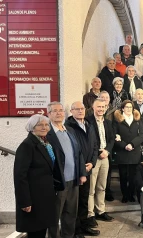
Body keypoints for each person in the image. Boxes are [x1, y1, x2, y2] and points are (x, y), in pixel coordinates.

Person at [46, 102, 87, 238]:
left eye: (61, 110)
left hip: (73, 180)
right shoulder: (47, 133)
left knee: (70, 214)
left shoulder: (69, 130)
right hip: (59, 182)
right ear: (49, 114)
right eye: (55, 111)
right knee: (54, 215)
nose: (59, 113)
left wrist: (82, 173)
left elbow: (78, 153)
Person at [14, 114, 57, 238]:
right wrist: (24, 201)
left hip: (43, 197)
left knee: (41, 231)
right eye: (40, 125)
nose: (44, 127)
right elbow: (19, 176)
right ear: (32, 127)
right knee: (35, 232)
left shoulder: (45, 143)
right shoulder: (27, 146)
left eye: (46, 124)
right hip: (33, 199)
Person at [65, 102, 100, 237]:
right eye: (77, 109)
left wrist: (92, 162)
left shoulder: (88, 125)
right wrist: (81, 166)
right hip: (75, 170)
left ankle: (85, 225)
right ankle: (76, 230)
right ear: (71, 111)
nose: (80, 111)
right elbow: (71, 150)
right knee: (75, 202)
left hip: (88, 168)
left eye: (82, 109)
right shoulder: (68, 127)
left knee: (84, 199)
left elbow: (95, 145)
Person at [86, 99, 115, 226]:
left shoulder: (108, 122)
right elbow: (89, 141)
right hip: (93, 158)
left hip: (105, 157)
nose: (101, 109)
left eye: (103, 107)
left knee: (102, 186)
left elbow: (112, 139)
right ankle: (90, 214)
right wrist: (98, 152)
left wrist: (107, 151)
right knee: (91, 188)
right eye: (98, 107)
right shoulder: (88, 122)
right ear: (93, 107)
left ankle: (101, 211)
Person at [113, 100, 143, 203]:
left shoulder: (137, 120)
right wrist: (124, 145)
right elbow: (114, 136)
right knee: (123, 176)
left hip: (134, 151)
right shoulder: (117, 121)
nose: (128, 109)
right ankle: (125, 195)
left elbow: (142, 135)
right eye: (126, 107)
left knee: (132, 176)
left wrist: (132, 144)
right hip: (122, 152)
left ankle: (131, 194)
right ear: (122, 108)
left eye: (130, 107)